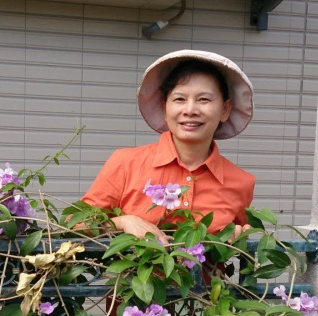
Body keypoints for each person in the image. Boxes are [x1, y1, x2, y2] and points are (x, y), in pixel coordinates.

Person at [82, 50, 256, 244]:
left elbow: (237, 241)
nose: (190, 110)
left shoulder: (241, 182)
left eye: (204, 100)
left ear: (225, 109)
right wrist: (122, 222)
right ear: (165, 108)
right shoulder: (126, 163)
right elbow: (76, 224)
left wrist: (238, 235)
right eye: (179, 99)